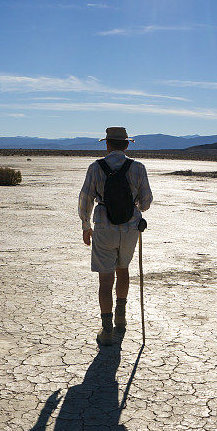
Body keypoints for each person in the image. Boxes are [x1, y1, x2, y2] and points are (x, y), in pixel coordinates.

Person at [78, 126, 153, 346]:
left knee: (105, 279)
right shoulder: (138, 168)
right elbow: (146, 202)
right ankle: (121, 317)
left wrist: (85, 225)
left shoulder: (95, 168)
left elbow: (85, 199)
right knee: (123, 271)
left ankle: (107, 328)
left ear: (107, 144)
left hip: (104, 227)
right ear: (127, 145)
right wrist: (132, 207)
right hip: (130, 229)